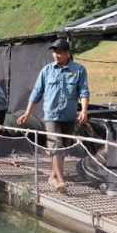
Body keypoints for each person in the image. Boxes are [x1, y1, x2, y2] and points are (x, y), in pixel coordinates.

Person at [16, 38, 90, 193]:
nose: (56, 55)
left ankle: (52, 176)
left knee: (63, 147)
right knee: (55, 147)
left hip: (69, 116)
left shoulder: (79, 70)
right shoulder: (47, 70)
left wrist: (84, 110)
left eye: (60, 52)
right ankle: (61, 181)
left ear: (67, 53)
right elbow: (36, 92)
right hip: (51, 115)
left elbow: (83, 91)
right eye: (54, 52)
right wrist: (27, 113)